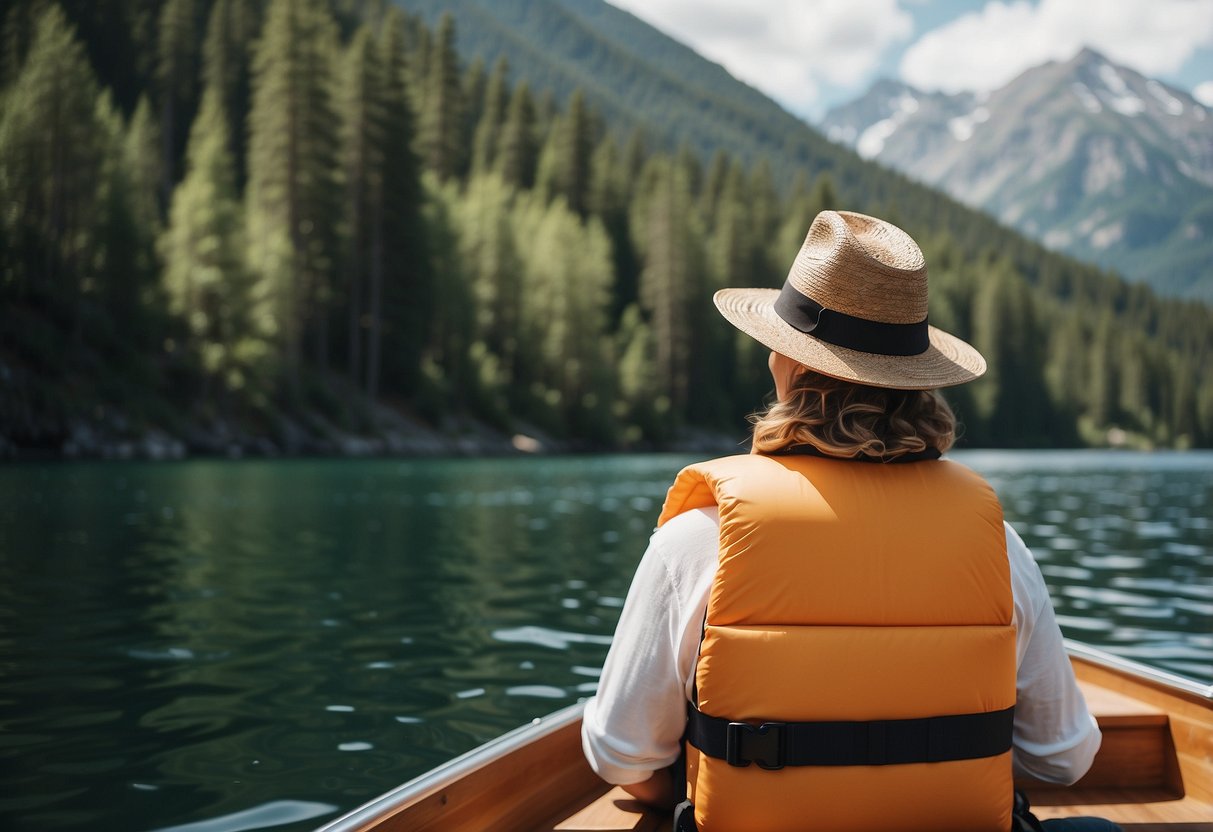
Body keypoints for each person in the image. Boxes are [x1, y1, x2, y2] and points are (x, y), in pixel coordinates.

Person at [581, 211, 1120, 832]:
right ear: (919, 381)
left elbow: (621, 754)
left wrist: (691, 782)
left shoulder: (702, 536)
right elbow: (1065, 760)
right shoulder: (994, 541)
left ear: (789, 363)